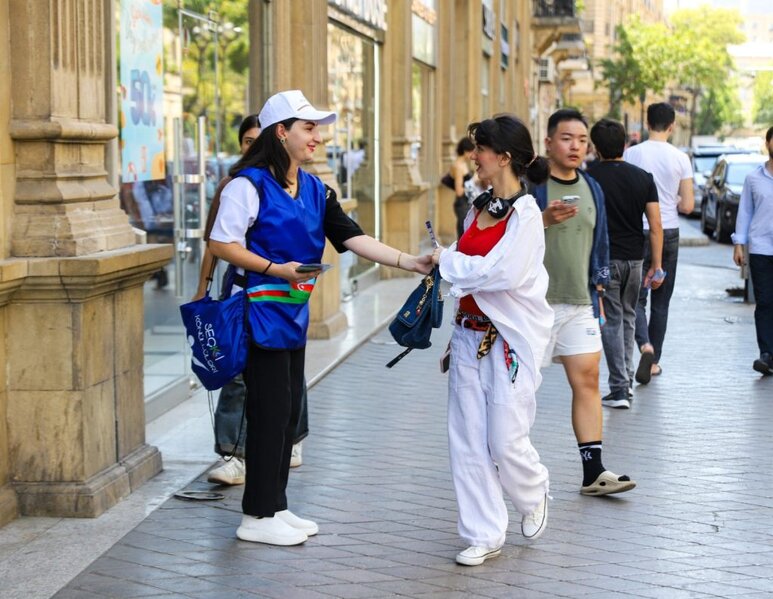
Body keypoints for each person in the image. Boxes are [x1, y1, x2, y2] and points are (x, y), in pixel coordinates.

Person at [209, 90, 432, 546]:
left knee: (288, 410)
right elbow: (221, 244)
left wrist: (410, 261)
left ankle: (275, 506)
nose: (317, 136)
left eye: (317, 128)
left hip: (290, 313)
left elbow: (351, 236)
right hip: (256, 312)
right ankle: (255, 516)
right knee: (268, 411)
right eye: (308, 127)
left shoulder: (315, 189)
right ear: (281, 132)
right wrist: (276, 269)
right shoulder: (245, 186)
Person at [431, 115, 552, 567]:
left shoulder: (526, 215)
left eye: (480, 148)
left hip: (509, 344)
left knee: (504, 439)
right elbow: (467, 266)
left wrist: (446, 262)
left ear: (503, 158)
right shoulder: (477, 205)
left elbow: (503, 273)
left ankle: (534, 489)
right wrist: (449, 262)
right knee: (466, 439)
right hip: (467, 337)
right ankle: (483, 532)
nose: (473, 155)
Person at [193, 115, 307, 486]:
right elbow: (217, 240)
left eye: (257, 139)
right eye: (246, 140)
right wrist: (203, 288)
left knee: (287, 377)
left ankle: (290, 441)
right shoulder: (238, 185)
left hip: (286, 296)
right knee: (238, 373)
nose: (252, 147)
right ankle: (234, 452)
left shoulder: (298, 187)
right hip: (243, 291)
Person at [534, 109, 635, 496]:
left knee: (589, 380)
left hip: (580, 302)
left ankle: (593, 472)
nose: (575, 146)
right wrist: (543, 218)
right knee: (522, 389)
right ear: (548, 143)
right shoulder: (532, 187)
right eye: (566, 138)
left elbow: (602, 244)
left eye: (581, 140)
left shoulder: (593, 188)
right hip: (534, 306)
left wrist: (601, 292)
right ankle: (503, 462)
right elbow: (508, 236)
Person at [587, 119, 664, 409]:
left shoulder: (589, 177)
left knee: (611, 320)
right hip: (635, 259)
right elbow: (656, 225)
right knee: (629, 316)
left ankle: (619, 388)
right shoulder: (644, 177)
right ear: (624, 144)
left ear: (596, 147)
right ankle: (626, 382)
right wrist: (656, 266)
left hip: (605, 259)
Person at [623, 102, 694, 384]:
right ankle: (655, 362)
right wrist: (671, 201)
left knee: (636, 298)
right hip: (669, 232)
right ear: (672, 126)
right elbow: (688, 205)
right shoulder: (680, 158)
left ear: (647, 123)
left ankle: (644, 348)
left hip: (636, 230)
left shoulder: (631, 154)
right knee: (661, 302)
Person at [732, 126, 773, 376]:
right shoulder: (753, 178)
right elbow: (745, 212)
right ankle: (766, 354)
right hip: (760, 249)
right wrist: (739, 243)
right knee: (765, 301)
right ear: (768, 143)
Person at [442, 137, 475, 238]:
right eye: (471, 151)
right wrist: (474, 182)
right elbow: (459, 191)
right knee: (463, 233)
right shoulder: (458, 166)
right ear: (465, 151)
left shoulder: (463, 164)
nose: (472, 155)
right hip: (462, 204)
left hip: (467, 202)